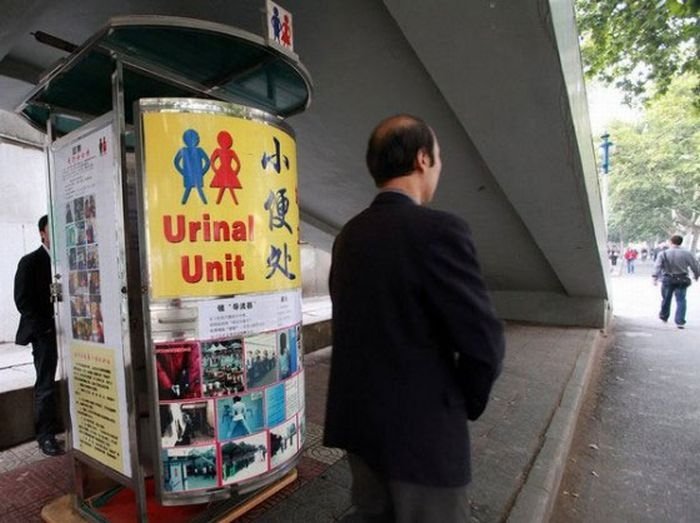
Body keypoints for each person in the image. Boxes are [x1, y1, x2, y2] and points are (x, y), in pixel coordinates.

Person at [324, 115, 505, 521]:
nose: (438, 167)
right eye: (438, 158)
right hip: (422, 432)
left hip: (360, 424)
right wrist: (464, 402)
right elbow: (483, 341)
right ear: (423, 159)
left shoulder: (348, 235)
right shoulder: (439, 229)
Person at [13, 215, 63, 456]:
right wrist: (44, 326)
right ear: (42, 233)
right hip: (44, 333)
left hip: (69, 332)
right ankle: (45, 435)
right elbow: (22, 300)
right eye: (51, 229)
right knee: (45, 384)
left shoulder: (66, 262)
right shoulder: (30, 262)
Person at [652, 234, 700, 329]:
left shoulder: (664, 253)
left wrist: (655, 277)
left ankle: (664, 316)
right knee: (681, 300)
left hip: (668, 278)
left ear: (671, 242)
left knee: (666, 299)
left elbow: (657, 266)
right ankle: (680, 321)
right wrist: (696, 275)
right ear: (681, 242)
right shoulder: (687, 253)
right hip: (682, 279)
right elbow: (694, 265)